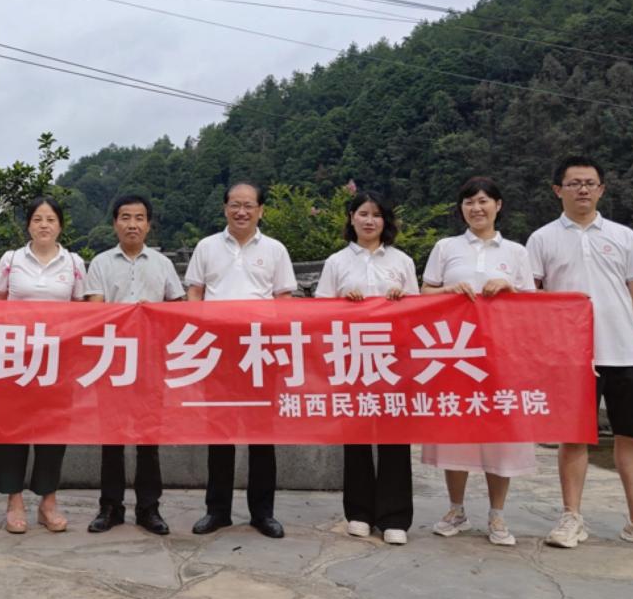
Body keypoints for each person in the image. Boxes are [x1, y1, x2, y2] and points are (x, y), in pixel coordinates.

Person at [526, 156, 633, 552]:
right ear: (557, 190)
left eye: (590, 182)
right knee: (573, 438)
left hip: (624, 350)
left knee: (631, 435)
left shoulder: (623, 236)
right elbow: (531, 297)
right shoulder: (542, 239)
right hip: (570, 355)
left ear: (601, 189)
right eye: (574, 183)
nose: (582, 189)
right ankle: (571, 517)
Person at [420, 177, 536, 546]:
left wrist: (510, 288)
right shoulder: (446, 247)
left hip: (502, 353)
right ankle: (456, 508)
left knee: (500, 433)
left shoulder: (516, 252)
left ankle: (497, 514)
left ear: (498, 206)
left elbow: (532, 303)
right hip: (455, 353)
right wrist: (448, 290)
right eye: (469, 202)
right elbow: (424, 292)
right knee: (456, 429)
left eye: (484, 201)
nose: (476, 208)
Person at [186, 182, 297, 539]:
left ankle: (263, 513)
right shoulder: (207, 247)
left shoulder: (275, 250)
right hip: (217, 351)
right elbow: (195, 292)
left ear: (261, 210)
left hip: (260, 350)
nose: (241, 211)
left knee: (262, 434)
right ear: (225, 209)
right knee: (219, 433)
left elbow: (284, 298)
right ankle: (217, 511)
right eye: (235, 205)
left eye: (249, 205)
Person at [315, 189, 419, 545]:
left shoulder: (402, 261)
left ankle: (395, 516)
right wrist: (343, 303)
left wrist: (400, 300)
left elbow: (417, 311)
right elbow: (319, 311)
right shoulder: (337, 262)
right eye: (363, 213)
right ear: (351, 218)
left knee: (395, 438)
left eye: (376, 214)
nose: (369, 220)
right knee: (356, 436)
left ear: (385, 220)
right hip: (351, 357)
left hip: (393, 358)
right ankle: (358, 512)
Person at [84, 194, 186, 535]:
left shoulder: (162, 263)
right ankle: (110, 507)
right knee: (111, 438)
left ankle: (149, 508)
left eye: (139, 218)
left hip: (150, 360)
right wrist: (125, 314)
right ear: (115, 223)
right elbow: (94, 310)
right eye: (125, 217)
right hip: (111, 360)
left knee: (148, 438)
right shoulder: (100, 263)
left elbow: (177, 309)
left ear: (149, 224)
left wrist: (153, 312)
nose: (132, 224)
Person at [0, 195, 87, 533]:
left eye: (50, 219)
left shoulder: (73, 262)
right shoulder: (11, 259)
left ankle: (48, 502)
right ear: (28, 225)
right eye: (37, 219)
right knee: (10, 430)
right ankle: (14, 501)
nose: (44, 225)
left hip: (57, 361)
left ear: (60, 226)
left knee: (53, 431)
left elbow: (82, 310)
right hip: (13, 359)